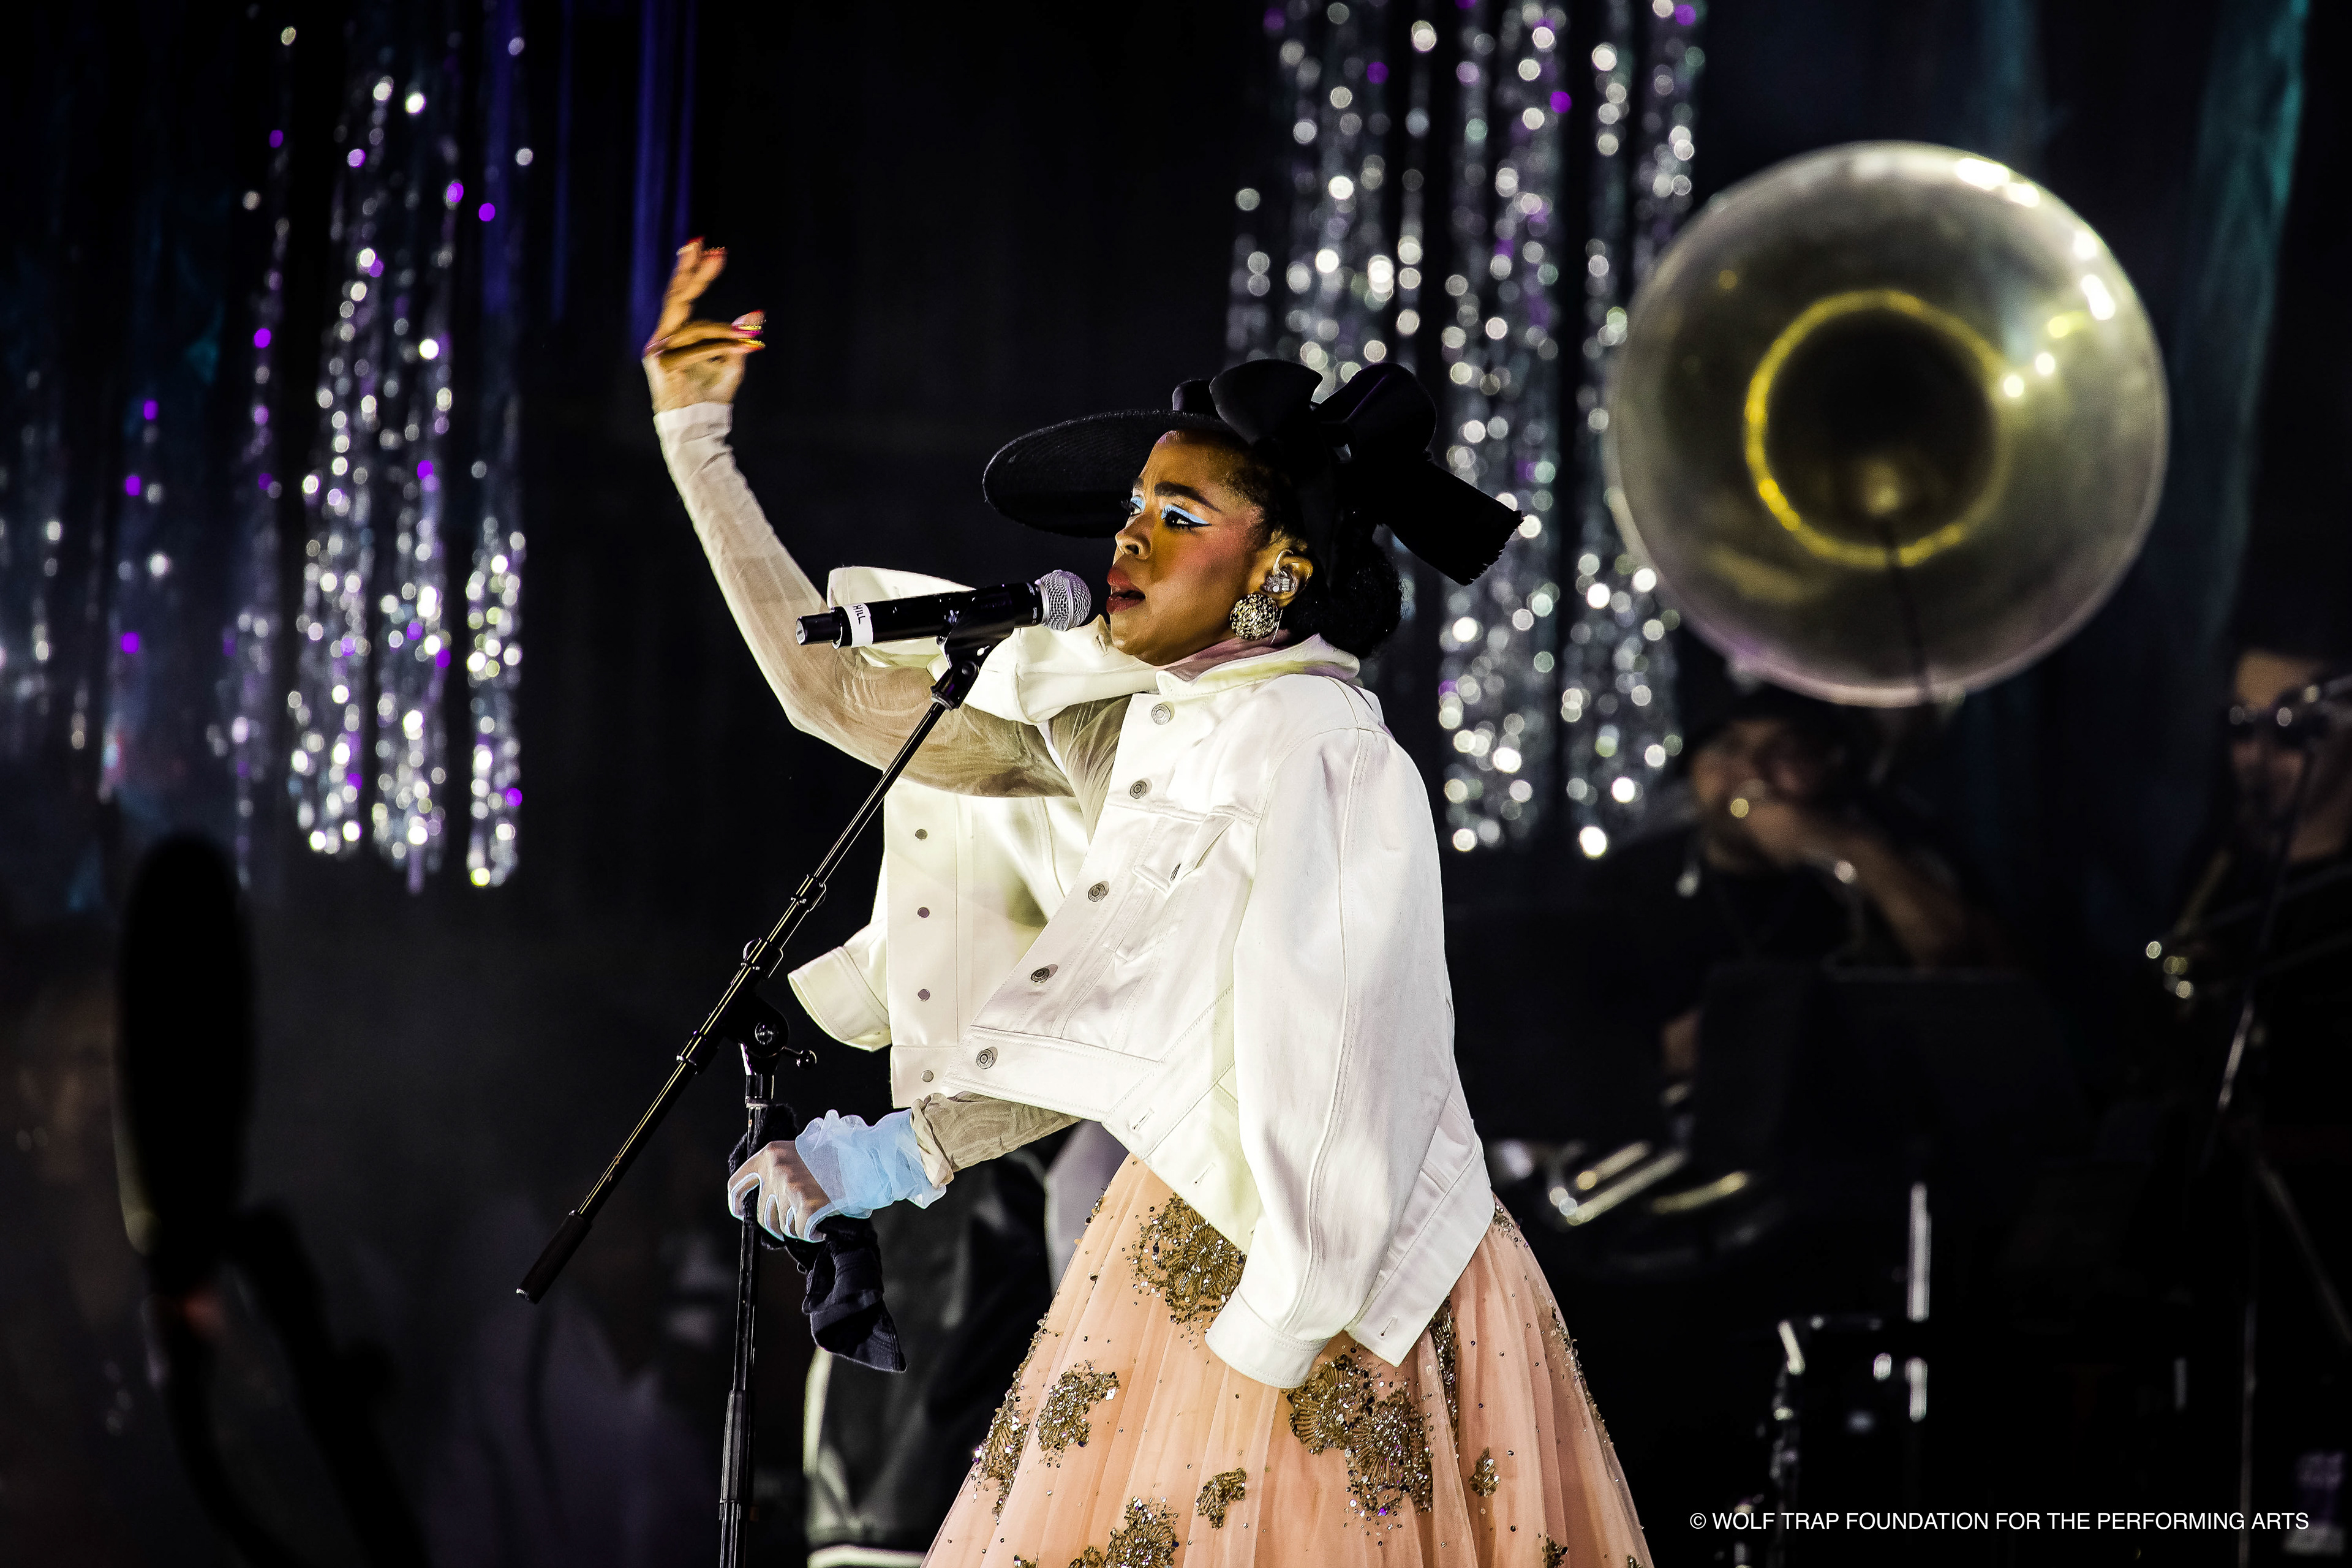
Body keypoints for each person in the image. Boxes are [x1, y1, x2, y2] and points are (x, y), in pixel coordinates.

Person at [645, 239, 1647, 1566]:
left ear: (1281, 566)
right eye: (1133, 507)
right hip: (1184, 1240)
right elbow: (835, 692)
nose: (1127, 534)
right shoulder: (1134, 727)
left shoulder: (1323, 751)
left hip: (1323, 1291)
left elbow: (1329, 1060)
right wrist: (695, 440)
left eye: (1180, 514)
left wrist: (1284, 1331)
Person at [2154, 636, 2352, 1560]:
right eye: (2241, 726)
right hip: (2227, 1257)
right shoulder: (2222, 868)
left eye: (2292, 728)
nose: (2258, 754)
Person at [1582, 684, 2002, 1096]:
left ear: (1831, 765)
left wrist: (1844, 848)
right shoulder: (1629, 880)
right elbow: (1579, 1054)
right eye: (1727, 747)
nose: (1752, 772)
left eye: (1786, 751)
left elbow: (1972, 968)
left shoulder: (1893, 853)